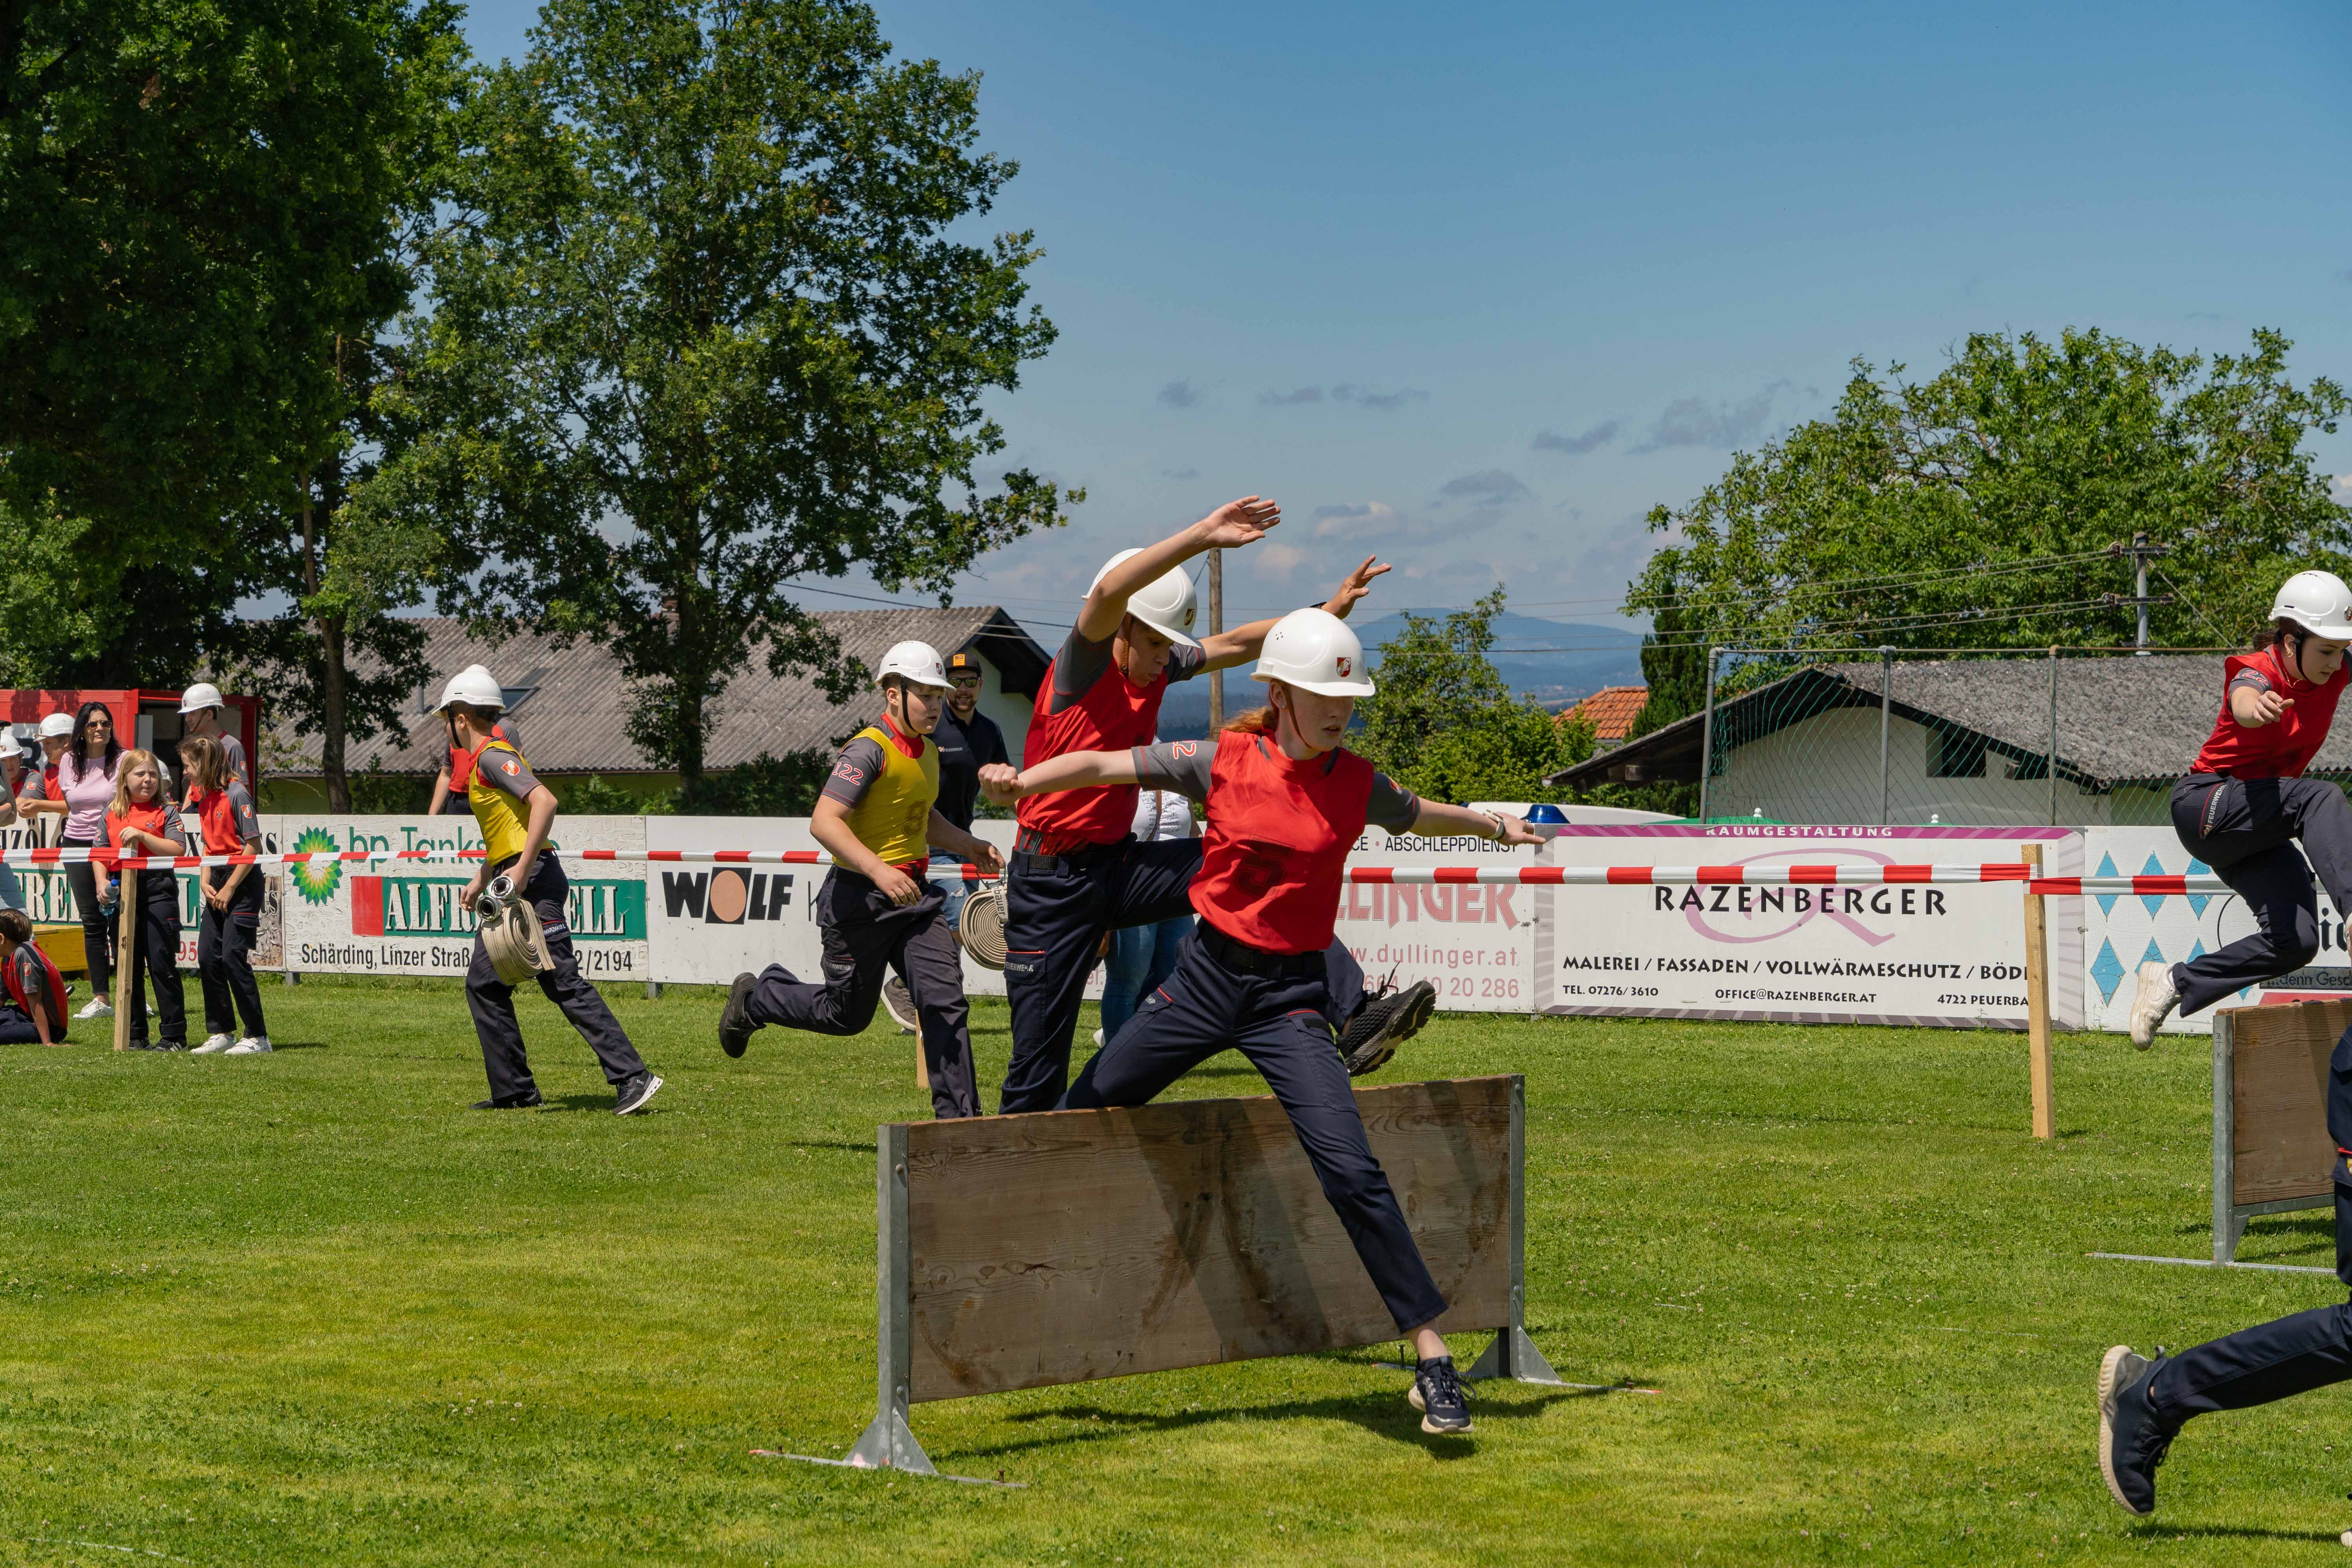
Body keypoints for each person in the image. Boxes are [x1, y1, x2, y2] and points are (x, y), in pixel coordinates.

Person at [980, 608, 1541, 1434]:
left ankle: (1431, 1357)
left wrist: (1495, 825)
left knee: (1352, 1171)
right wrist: (1024, 785)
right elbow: (1105, 762)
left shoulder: (1357, 782)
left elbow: (1420, 810)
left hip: (1290, 1001)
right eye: (1323, 696)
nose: (1339, 710)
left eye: (1347, 698)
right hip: (1203, 982)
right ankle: (999, 1275)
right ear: (1278, 695)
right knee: (1080, 1112)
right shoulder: (1219, 761)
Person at [995, 496, 1426, 1114]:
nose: (1163, 660)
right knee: (1037, 1073)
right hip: (1050, 885)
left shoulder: (1158, 664)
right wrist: (1204, 535)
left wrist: (1324, 616)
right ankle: (1008, 1165)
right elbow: (1111, 590)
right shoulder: (1081, 669)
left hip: (1117, 866)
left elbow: (1236, 643)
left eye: (1169, 648)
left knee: (1258, 860)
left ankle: (1357, 1013)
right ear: (1120, 631)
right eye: (1152, 644)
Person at [2101, 569, 2352, 1517]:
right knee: (2320, 797)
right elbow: (2245, 693)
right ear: (2288, 637)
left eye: (2341, 651)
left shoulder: (2335, 666)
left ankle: (2176, 981)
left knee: (2294, 940)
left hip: (2260, 822)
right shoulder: (2261, 668)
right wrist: (2256, 702)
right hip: (2208, 806)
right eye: (2322, 649)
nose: (2332, 664)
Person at [717, 642, 1006, 1120]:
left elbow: (921, 818)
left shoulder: (928, 752)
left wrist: (968, 844)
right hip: (859, 901)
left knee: (944, 1001)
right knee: (845, 1016)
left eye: (938, 695)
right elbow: (825, 821)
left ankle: (960, 1125)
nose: (935, 704)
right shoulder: (868, 749)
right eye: (925, 694)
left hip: (913, 899)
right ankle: (756, 999)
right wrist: (878, 869)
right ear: (893, 694)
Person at [438, 664, 661, 1114]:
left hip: (533, 880)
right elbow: (511, 827)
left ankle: (633, 1077)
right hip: (514, 876)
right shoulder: (487, 760)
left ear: (461, 718)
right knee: (484, 983)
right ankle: (515, 1090)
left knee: (562, 981)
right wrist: (483, 875)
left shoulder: (491, 757)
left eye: (447, 719)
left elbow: (545, 801)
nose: (447, 728)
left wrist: (521, 870)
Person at [20, 702, 124, 1020]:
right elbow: (71, 804)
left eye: (105, 724)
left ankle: (132, 995)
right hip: (76, 844)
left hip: (112, 844)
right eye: (93, 724)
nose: (100, 729)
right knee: (93, 921)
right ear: (82, 730)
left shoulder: (124, 759)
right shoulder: (68, 761)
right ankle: (101, 998)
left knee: (121, 921)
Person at [1097, 750, 1195, 1043]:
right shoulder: (1118, 764)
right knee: (1128, 979)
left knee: (1176, 974)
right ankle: (1115, 1050)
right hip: (1132, 887)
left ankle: (1131, 1036)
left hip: (1177, 891)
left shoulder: (1178, 765)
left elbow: (1193, 831)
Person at [180, 735, 269, 1055]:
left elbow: (253, 846)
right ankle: (222, 1032)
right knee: (208, 957)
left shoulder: (237, 794)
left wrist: (230, 887)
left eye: (188, 766)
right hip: (216, 879)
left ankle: (258, 1036)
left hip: (242, 883)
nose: (185, 772)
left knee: (232, 956)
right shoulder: (204, 797)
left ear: (205, 764)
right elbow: (208, 845)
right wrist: (205, 879)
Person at [103, 748, 190, 1051]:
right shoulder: (111, 812)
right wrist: (101, 882)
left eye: (153, 774)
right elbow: (100, 853)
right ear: (125, 779)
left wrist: (142, 836)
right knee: (127, 964)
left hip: (158, 890)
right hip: (122, 890)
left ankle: (174, 1036)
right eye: (140, 774)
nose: (148, 780)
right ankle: (135, 1034)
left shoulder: (167, 812)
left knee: (161, 962)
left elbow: (178, 849)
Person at [429, 700, 519, 817]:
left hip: (491, 801)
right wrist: (432, 816)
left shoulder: (506, 729)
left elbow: (517, 777)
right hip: (457, 803)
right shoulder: (456, 731)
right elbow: (446, 774)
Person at [0, 907, 69, 1045]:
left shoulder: (24, 955)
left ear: (2, 939)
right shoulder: (7, 959)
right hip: (25, 1016)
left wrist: (47, 1043)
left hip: (50, 1027)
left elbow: (35, 1001)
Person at [176, 682, 251, 793]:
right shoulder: (196, 746)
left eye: (193, 713)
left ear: (209, 715)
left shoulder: (233, 746)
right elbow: (194, 789)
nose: (187, 719)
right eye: (187, 714)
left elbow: (243, 791)